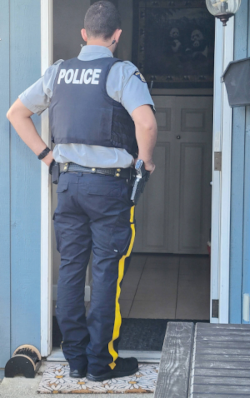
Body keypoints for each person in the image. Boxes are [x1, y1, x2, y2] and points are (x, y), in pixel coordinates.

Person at [7, 1, 157, 382]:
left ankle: (74, 360)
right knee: (107, 272)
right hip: (109, 189)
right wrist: (146, 161)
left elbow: (16, 113)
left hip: (69, 183)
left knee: (72, 270)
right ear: (117, 36)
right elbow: (146, 123)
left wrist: (46, 156)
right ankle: (99, 363)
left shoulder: (58, 73)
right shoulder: (121, 71)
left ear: (83, 34)